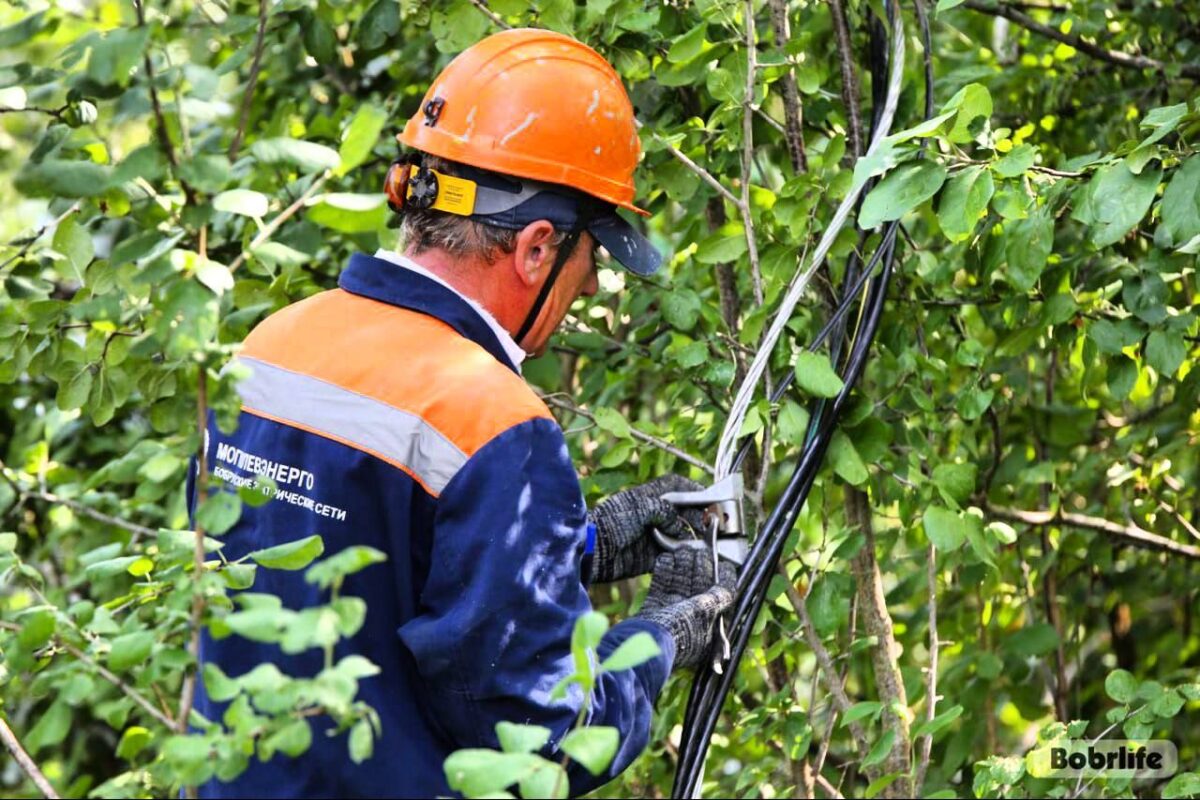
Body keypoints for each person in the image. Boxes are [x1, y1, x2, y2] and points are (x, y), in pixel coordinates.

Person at [194, 28, 735, 798]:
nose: (587, 289)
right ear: (538, 249)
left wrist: (577, 546)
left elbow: (346, 555)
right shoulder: (492, 423)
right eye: (592, 260)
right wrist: (661, 636)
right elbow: (545, 740)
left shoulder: (270, 345)